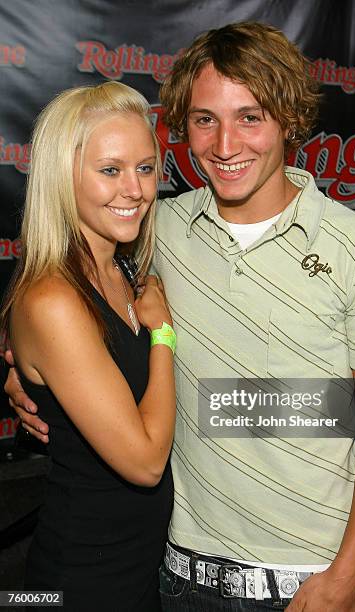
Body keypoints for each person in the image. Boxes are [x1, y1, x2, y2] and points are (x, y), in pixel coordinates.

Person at [6, 22, 355, 612]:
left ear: (289, 120)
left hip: (306, 583)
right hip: (175, 572)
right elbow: (63, 297)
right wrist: (28, 373)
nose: (225, 145)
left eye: (250, 117)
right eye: (204, 120)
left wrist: (347, 577)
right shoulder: (155, 230)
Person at [1, 81, 177, 611]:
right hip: (82, 583)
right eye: (110, 170)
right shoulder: (54, 297)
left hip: (143, 567)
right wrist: (163, 335)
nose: (135, 189)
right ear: (63, 176)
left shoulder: (124, 266)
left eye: (145, 168)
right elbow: (145, 461)